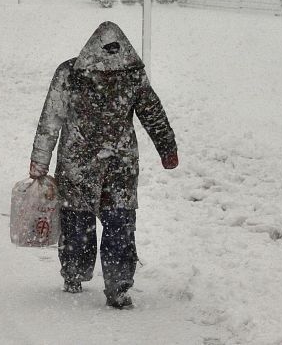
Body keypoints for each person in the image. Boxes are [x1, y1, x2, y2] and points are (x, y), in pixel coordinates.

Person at [28, 21, 178, 309]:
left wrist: (40, 160)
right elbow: (152, 113)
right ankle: (114, 284)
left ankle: (77, 272)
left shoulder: (71, 73)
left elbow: (51, 119)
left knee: (80, 223)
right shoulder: (130, 76)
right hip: (118, 164)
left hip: (81, 163)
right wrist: (167, 148)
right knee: (118, 224)